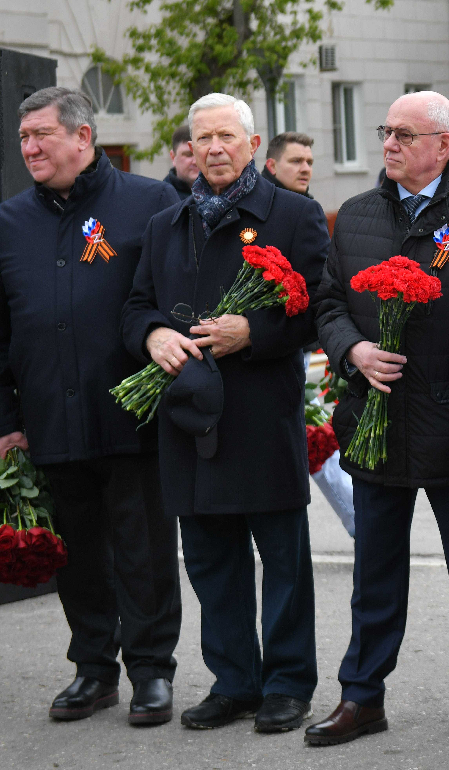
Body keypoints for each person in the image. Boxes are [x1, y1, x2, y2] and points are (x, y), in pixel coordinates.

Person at [121, 92, 329, 735]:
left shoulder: (292, 216)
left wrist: (255, 333)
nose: (213, 149)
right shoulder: (166, 224)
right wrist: (153, 335)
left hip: (261, 418)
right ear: (188, 148)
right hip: (189, 421)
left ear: (252, 146)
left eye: (226, 138)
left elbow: (320, 307)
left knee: (284, 563)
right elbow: (135, 308)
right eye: (202, 138)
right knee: (212, 562)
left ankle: (288, 682)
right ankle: (234, 680)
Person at [308, 91, 449, 746]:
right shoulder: (357, 216)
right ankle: (362, 695)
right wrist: (352, 350)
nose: (389, 143)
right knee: (375, 574)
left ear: (443, 145)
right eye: (385, 131)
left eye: (404, 133)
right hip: (374, 423)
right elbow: (329, 302)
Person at [0, 87, 182, 727]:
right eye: (23, 138)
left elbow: (170, 304)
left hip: (130, 419)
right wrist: (4, 421)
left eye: (41, 134)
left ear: (83, 137)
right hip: (49, 422)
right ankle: (94, 671)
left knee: (143, 552)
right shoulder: (10, 220)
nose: (30, 147)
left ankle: (151, 671)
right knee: (79, 557)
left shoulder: (149, 202)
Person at [263, 132, 315, 197]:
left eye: (309, 163)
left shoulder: (309, 205)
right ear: (272, 166)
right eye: (296, 161)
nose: (306, 169)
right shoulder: (254, 204)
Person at [164, 124, 199, 198]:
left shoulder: (224, 193)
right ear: (173, 157)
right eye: (188, 155)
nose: (195, 162)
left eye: (199, 155)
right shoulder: (162, 198)